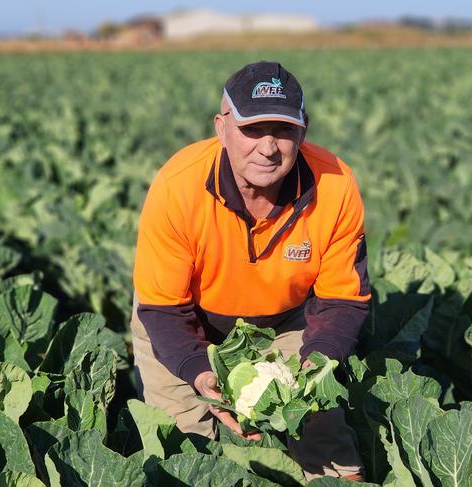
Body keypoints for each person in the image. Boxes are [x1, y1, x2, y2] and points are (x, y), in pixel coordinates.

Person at [131, 60, 370, 481]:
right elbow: (163, 310)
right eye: (252, 130)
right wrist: (200, 374)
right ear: (222, 128)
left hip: (285, 321)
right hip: (184, 320)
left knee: (325, 438)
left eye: (283, 130)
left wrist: (316, 369)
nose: (268, 147)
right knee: (182, 449)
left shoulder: (335, 185)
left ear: (303, 131)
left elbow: (341, 302)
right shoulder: (178, 186)